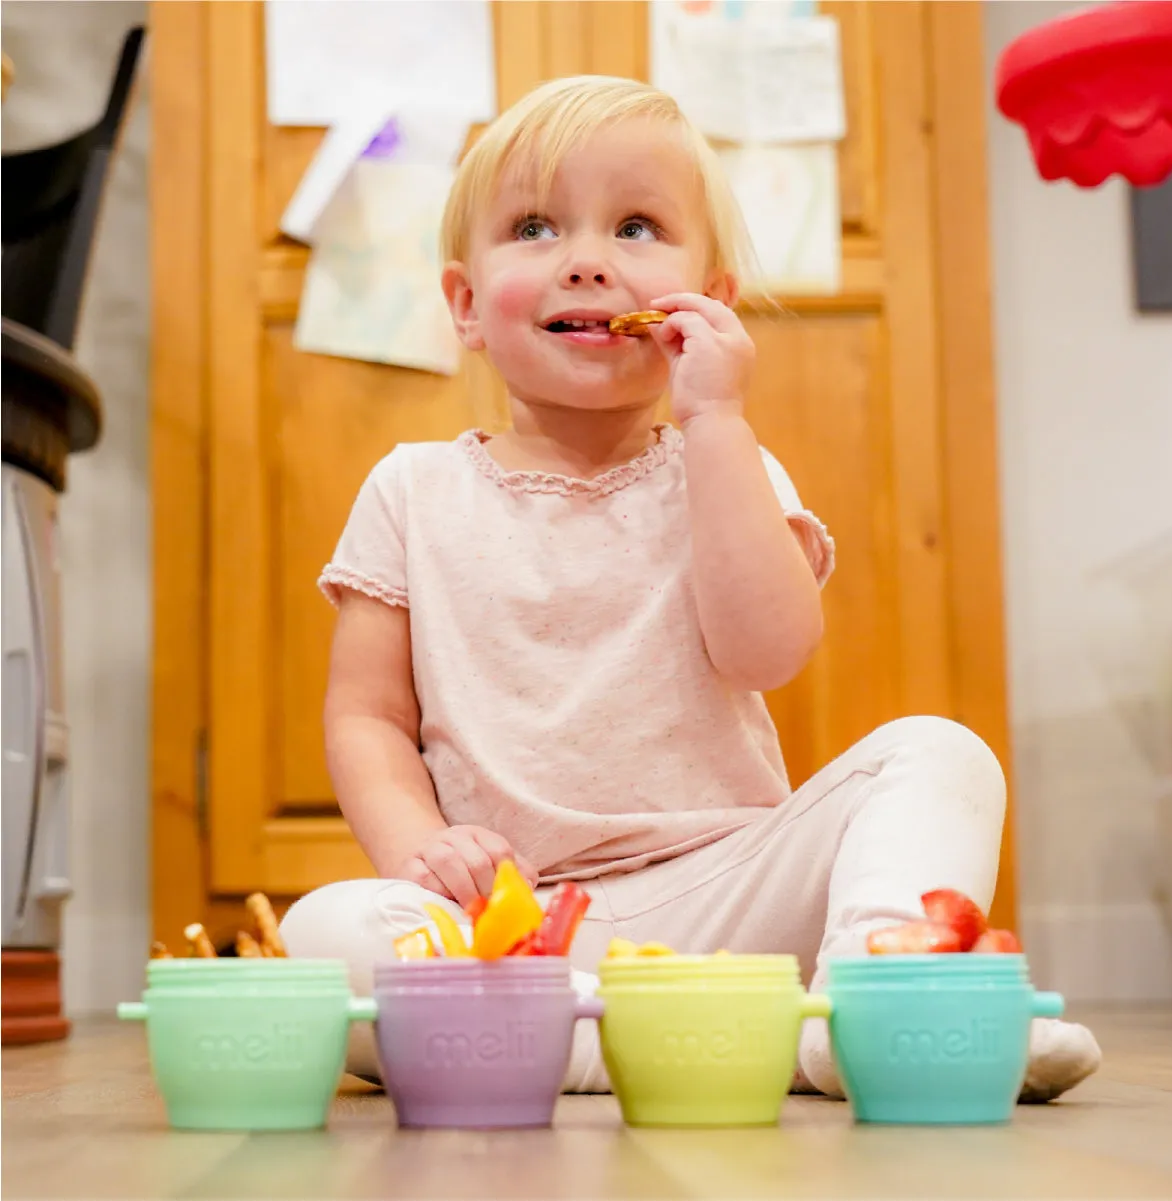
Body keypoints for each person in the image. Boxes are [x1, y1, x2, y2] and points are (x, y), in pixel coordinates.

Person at [280, 75, 1100, 1099]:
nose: (586, 259)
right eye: (535, 226)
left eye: (634, 226)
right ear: (464, 306)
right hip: (521, 924)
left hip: (732, 902)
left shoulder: (730, 468)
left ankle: (873, 1002)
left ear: (704, 302)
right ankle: (673, 1043)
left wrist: (718, 425)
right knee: (324, 934)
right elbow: (364, 717)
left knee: (940, 752)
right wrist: (420, 846)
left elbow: (766, 653)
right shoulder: (410, 489)